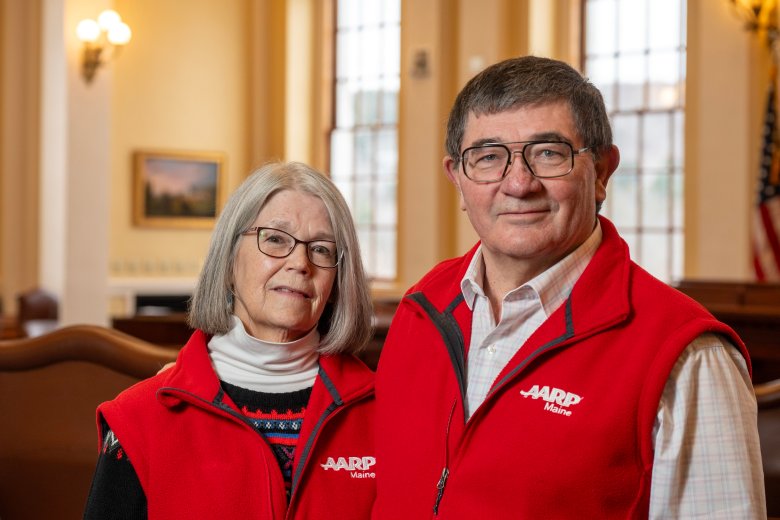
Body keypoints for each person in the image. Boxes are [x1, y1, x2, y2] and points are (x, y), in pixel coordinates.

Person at [373, 56, 766, 518]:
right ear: (458, 179)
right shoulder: (420, 311)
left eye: (548, 153)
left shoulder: (685, 355)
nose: (518, 183)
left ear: (602, 171)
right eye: (488, 157)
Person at [84, 162, 376, 519]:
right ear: (228, 260)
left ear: (337, 282)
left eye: (321, 249)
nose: (301, 263)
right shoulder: (138, 418)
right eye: (274, 239)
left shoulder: (384, 412)